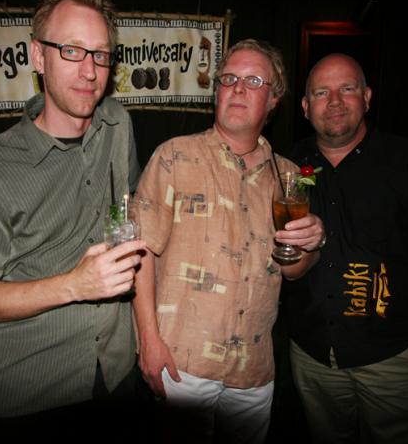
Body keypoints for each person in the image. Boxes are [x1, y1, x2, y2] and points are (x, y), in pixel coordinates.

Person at [0, 0, 147, 441]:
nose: (89, 71)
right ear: (38, 56)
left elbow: (129, 208)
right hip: (32, 392)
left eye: (100, 55)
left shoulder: (118, 125)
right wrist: (75, 285)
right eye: (72, 51)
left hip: (116, 373)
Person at [132, 39, 326, 443]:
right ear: (216, 91)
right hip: (181, 364)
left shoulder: (290, 177)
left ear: (274, 100)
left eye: (254, 81)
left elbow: (293, 270)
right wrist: (148, 341)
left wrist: (310, 244)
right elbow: (140, 251)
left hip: (253, 370)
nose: (238, 88)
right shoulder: (173, 156)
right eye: (229, 79)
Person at [284, 53, 408, 443]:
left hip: (393, 357)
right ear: (306, 107)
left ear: (367, 97)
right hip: (312, 356)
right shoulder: (287, 166)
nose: (335, 101)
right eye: (321, 92)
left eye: (347, 89)